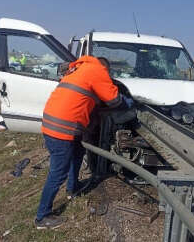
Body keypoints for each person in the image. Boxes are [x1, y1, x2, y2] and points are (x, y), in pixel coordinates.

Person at [35, 55, 132, 229]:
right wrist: (130, 102)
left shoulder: (80, 69)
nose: (107, 77)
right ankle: (42, 216)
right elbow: (114, 100)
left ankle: (73, 188)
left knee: (78, 152)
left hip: (52, 122)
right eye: (108, 74)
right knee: (58, 173)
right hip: (61, 128)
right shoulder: (97, 71)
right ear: (105, 69)